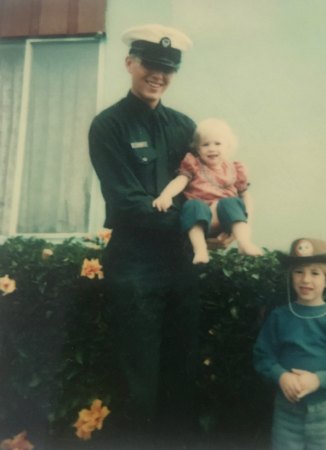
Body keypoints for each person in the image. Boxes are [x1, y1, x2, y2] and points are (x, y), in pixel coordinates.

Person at [88, 23, 207, 448]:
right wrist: (195, 226)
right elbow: (126, 201)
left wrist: (219, 224)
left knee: (182, 375)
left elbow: (203, 187)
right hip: (135, 267)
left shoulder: (184, 126)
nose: (158, 75)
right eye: (150, 66)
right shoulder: (109, 126)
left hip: (180, 264)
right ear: (129, 64)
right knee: (138, 382)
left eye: (167, 69)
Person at [253, 238, 326, 450]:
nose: (306, 280)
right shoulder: (279, 316)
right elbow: (262, 356)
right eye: (299, 272)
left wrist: (318, 379)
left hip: (325, 413)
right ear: (290, 276)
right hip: (286, 412)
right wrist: (281, 375)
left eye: (315, 273)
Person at [153, 118, 263, 264]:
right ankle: (200, 249)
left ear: (228, 147)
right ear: (198, 149)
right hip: (201, 216)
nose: (212, 148)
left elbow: (245, 195)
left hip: (226, 217)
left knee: (231, 202)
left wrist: (247, 218)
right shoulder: (194, 165)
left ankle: (244, 243)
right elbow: (180, 181)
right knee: (193, 205)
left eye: (217, 143)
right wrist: (166, 195)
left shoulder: (234, 169)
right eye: (205, 144)